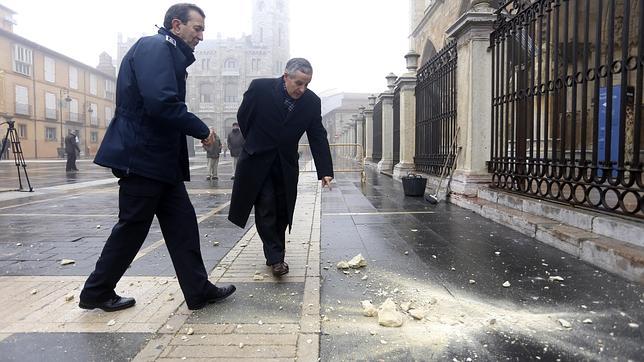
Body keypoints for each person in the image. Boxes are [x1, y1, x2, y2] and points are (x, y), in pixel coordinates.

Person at [78, 3, 235, 312]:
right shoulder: (154, 47)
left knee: (183, 225)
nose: (201, 36)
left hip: (159, 162)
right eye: (197, 28)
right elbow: (161, 103)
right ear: (177, 25)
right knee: (133, 227)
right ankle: (96, 291)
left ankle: (198, 289)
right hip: (143, 157)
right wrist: (202, 129)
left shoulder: (167, 52)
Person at [228, 58, 333, 277]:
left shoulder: (312, 101)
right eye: (298, 83)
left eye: (307, 84)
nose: (302, 89)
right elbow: (244, 116)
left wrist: (325, 170)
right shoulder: (260, 88)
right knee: (266, 205)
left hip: (285, 163)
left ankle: (276, 253)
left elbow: (317, 135)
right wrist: (256, 141)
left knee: (283, 209)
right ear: (286, 76)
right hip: (257, 160)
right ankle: (276, 259)